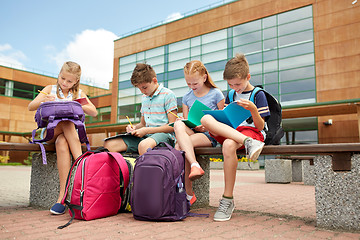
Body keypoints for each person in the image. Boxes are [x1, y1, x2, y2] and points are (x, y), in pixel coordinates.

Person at [201, 53, 270, 221]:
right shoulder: (231, 94)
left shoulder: (258, 94)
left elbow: (260, 126)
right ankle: (247, 143)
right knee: (205, 118)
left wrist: (253, 110)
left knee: (228, 145)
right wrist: (213, 125)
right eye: (231, 84)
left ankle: (227, 199)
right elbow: (227, 117)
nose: (235, 88)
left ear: (248, 77)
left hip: (254, 133)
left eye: (238, 84)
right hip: (234, 131)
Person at [28, 61, 98, 215]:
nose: (65, 83)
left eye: (69, 81)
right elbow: (31, 106)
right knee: (67, 122)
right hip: (50, 132)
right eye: (62, 78)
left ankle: (61, 197)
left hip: (67, 137)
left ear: (76, 81)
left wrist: (78, 104)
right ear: (59, 74)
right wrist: (43, 100)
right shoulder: (49, 89)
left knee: (62, 142)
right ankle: (82, 164)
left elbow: (94, 112)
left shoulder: (79, 93)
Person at [174, 60, 224, 206]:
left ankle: (188, 193)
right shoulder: (187, 97)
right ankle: (194, 165)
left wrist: (207, 126)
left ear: (204, 77)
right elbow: (186, 120)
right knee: (178, 124)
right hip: (193, 132)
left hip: (209, 135)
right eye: (188, 84)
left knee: (179, 147)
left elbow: (224, 121)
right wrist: (185, 122)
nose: (192, 87)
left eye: (194, 84)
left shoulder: (216, 94)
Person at [104, 63, 178, 155]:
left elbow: (172, 126)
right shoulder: (144, 98)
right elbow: (143, 124)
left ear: (154, 80)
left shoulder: (168, 95)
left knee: (144, 145)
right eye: (140, 89)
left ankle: (143, 168)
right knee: (109, 144)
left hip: (165, 136)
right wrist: (134, 128)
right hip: (146, 137)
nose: (143, 91)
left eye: (144, 87)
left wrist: (146, 130)